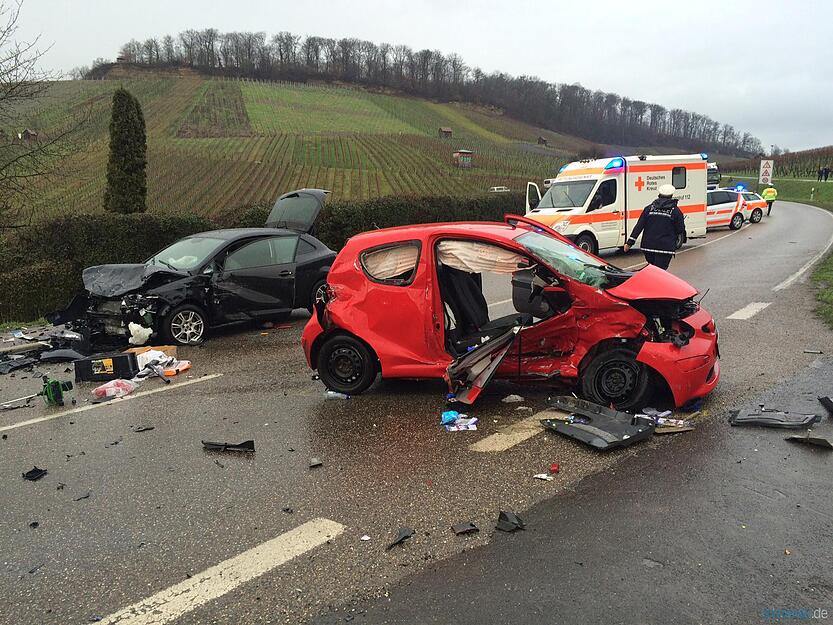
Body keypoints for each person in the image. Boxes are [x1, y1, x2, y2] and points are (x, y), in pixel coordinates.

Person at [623, 184, 685, 271]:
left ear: (659, 195)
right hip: (665, 248)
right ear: (671, 196)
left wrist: (629, 243)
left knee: (652, 271)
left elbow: (639, 226)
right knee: (659, 273)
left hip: (648, 247)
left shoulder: (649, 209)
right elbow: (680, 229)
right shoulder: (676, 212)